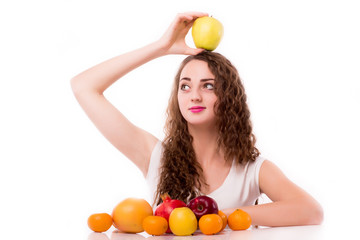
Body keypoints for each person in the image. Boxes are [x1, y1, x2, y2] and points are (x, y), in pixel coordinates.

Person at [71, 12, 323, 227]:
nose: (194, 96)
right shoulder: (155, 156)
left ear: (228, 96)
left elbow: (311, 211)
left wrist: (217, 218)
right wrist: (162, 47)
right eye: (185, 86)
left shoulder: (251, 168)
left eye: (208, 86)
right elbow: (83, 86)